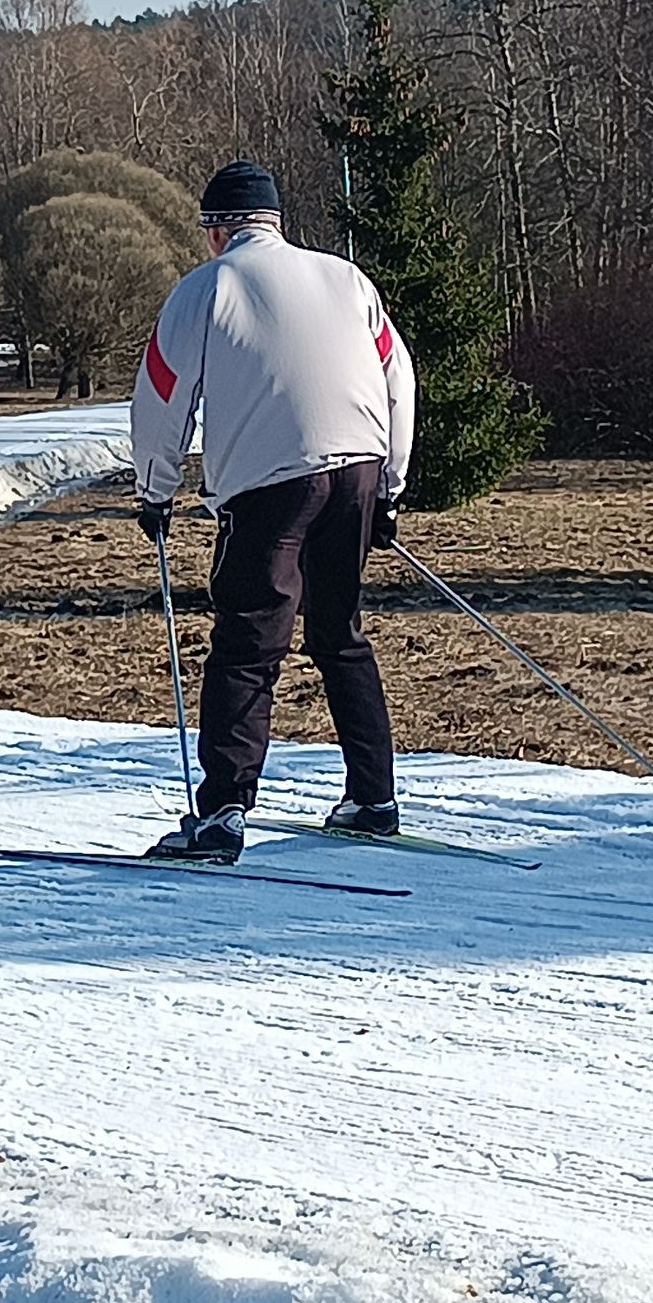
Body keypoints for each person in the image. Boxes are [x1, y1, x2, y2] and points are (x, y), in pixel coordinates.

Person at [127, 158, 415, 863]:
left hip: (269, 483)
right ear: (276, 223)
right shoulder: (346, 278)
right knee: (340, 633)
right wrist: (390, 487)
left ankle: (222, 814)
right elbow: (397, 377)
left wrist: (154, 491)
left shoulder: (207, 287)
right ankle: (373, 798)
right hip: (357, 468)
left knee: (248, 644)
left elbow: (161, 396)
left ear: (217, 229)